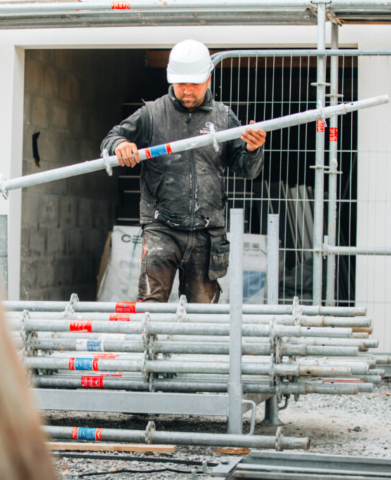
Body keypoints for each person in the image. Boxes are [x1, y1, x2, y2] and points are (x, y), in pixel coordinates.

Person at [100, 39, 266, 304]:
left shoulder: (223, 118)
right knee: (151, 307)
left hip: (207, 232)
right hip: (161, 227)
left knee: (201, 315)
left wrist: (252, 150)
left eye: (194, 84)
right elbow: (112, 138)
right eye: (181, 84)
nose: (187, 91)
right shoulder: (152, 114)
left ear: (208, 80)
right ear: (171, 80)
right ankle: (153, 346)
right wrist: (121, 144)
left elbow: (247, 170)